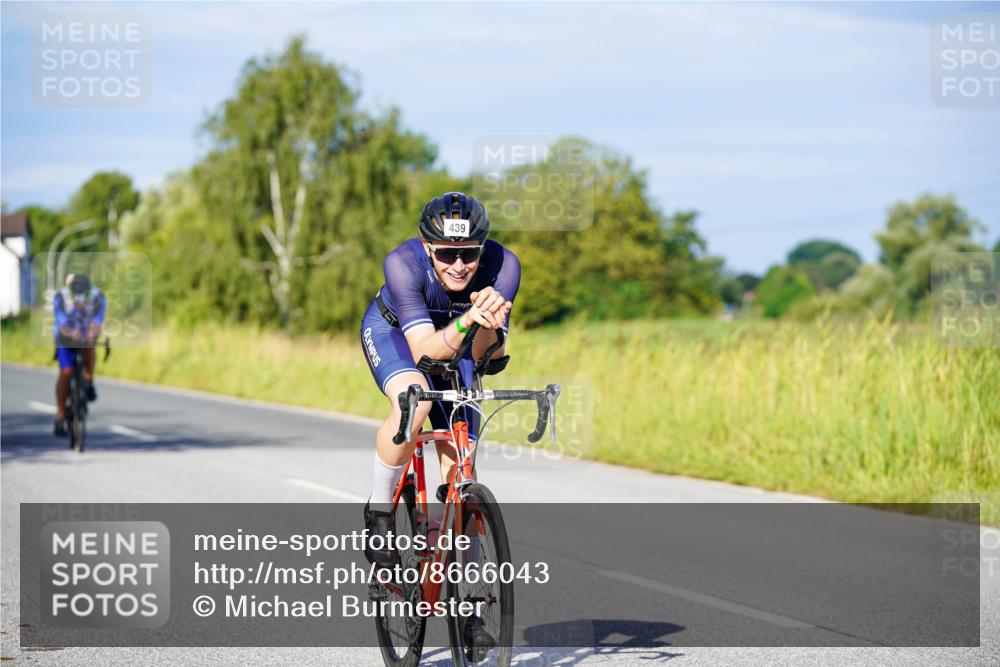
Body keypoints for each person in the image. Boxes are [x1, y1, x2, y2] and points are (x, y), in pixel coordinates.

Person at [359, 192, 519, 649]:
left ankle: (471, 608)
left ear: (482, 248)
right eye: (447, 254)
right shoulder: (402, 264)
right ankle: (380, 511)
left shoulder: (504, 266)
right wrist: (470, 318)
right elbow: (426, 353)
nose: (459, 265)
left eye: (469, 254)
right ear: (428, 247)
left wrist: (487, 322)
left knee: (461, 470)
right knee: (415, 403)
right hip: (396, 335)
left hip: (460, 342)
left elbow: (488, 357)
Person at [53, 273, 106, 436]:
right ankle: (60, 413)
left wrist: (91, 334)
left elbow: (98, 320)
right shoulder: (61, 297)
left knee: (90, 347)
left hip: (85, 334)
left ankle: (88, 381)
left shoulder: (97, 297)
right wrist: (71, 333)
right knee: (66, 372)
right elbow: (61, 321)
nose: (80, 304)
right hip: (65, 336)